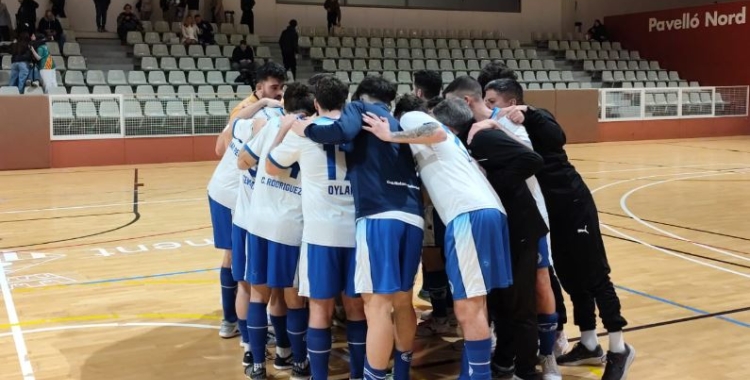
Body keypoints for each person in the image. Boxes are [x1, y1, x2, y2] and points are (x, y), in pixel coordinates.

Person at [476, 78, 636, 380]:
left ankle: (619, 348)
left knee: (595, 275)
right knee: (570, 276)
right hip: (551, 212)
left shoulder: (536, 117)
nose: (489, 107)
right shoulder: (503, 129)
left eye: (493, 101)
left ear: (511, 103)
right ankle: (589, 342)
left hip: (574, 203)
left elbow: (557, 135)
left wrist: (530, 112)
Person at [363, 94, 514, 380]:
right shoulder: (446, 144)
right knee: (477, 304)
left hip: (469, 214)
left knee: (467, 308)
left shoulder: (413, 118)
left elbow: (433, 132)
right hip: (487, 210)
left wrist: (389, 133)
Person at [293, 75, 424, 380]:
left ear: (362, 97)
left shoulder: (359, 108)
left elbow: (342, 131)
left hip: (379, 215)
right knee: (404, 302)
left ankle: (374, 376)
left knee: (376, 307)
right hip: (412, 215)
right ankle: (400, 373)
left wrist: (306, 128)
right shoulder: (398, 124)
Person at [442, 76, 559, 380]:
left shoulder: (484, 135)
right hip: (503, 227)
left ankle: (528, 369)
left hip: (521, 226)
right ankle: (504, 361)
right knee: (503, 302)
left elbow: (532, 159)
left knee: (521, 303)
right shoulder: (470, 136)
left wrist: (493, 186)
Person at [267, 75, 368, 380]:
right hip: (356, 231)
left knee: (320, 311)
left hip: (320, 233)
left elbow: (272, 165)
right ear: (345, 100)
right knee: (356, 310)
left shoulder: (302, 131)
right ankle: (359, 374)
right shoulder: (359, 129)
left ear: (315, 103)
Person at [477, 60, 571, 361]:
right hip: (506, 213)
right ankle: (511, 338)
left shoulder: (522, 118)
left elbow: (549, 144)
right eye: (485, 99)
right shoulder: (488, 123)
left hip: (532, 210)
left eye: (492, 100)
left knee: (543, 275)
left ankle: (553, 340)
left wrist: (524, 113)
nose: (489, 105)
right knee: (510, 283)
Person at [238, 82, 315, 380]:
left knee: (260, 294)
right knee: (293, 297)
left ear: (285, 105)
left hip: (258, 220)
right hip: (290, 224)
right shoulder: (314, 132)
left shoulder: (271, 126)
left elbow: (241, 162)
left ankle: (258, 365)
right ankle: (297, 362)